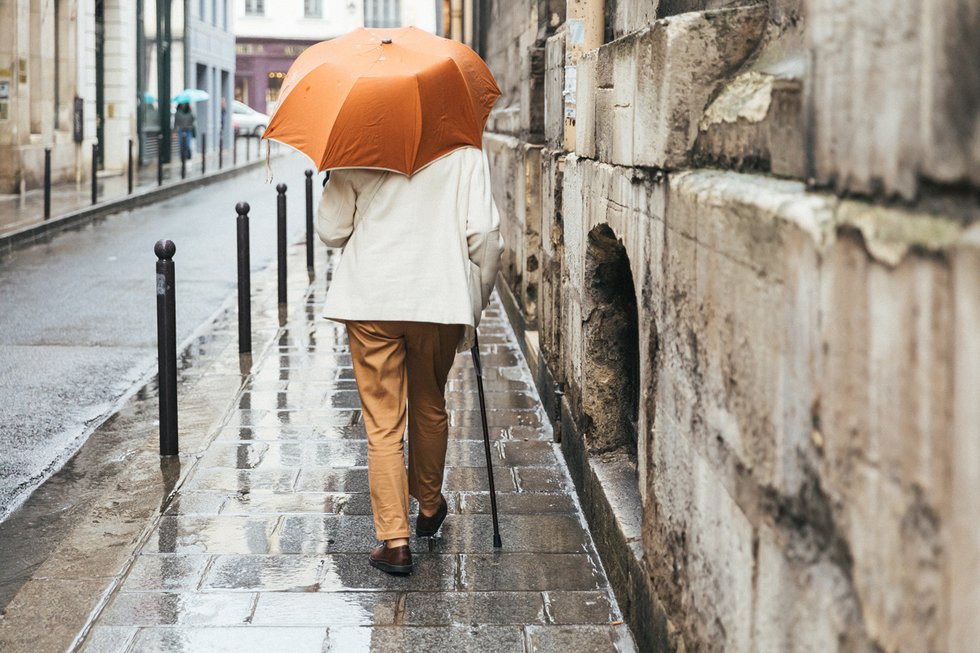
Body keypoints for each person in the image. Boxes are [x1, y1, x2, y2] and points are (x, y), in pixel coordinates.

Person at [317, 145, 503, 575]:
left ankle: (395, 541)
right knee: (429, 401)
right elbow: (486, 238)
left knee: (383, 423)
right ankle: (430, 506)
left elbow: (332, 231)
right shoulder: (463, 152)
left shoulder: (356, 146)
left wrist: (336, 181)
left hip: (371, 302)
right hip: (438, 301)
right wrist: (477, 298)